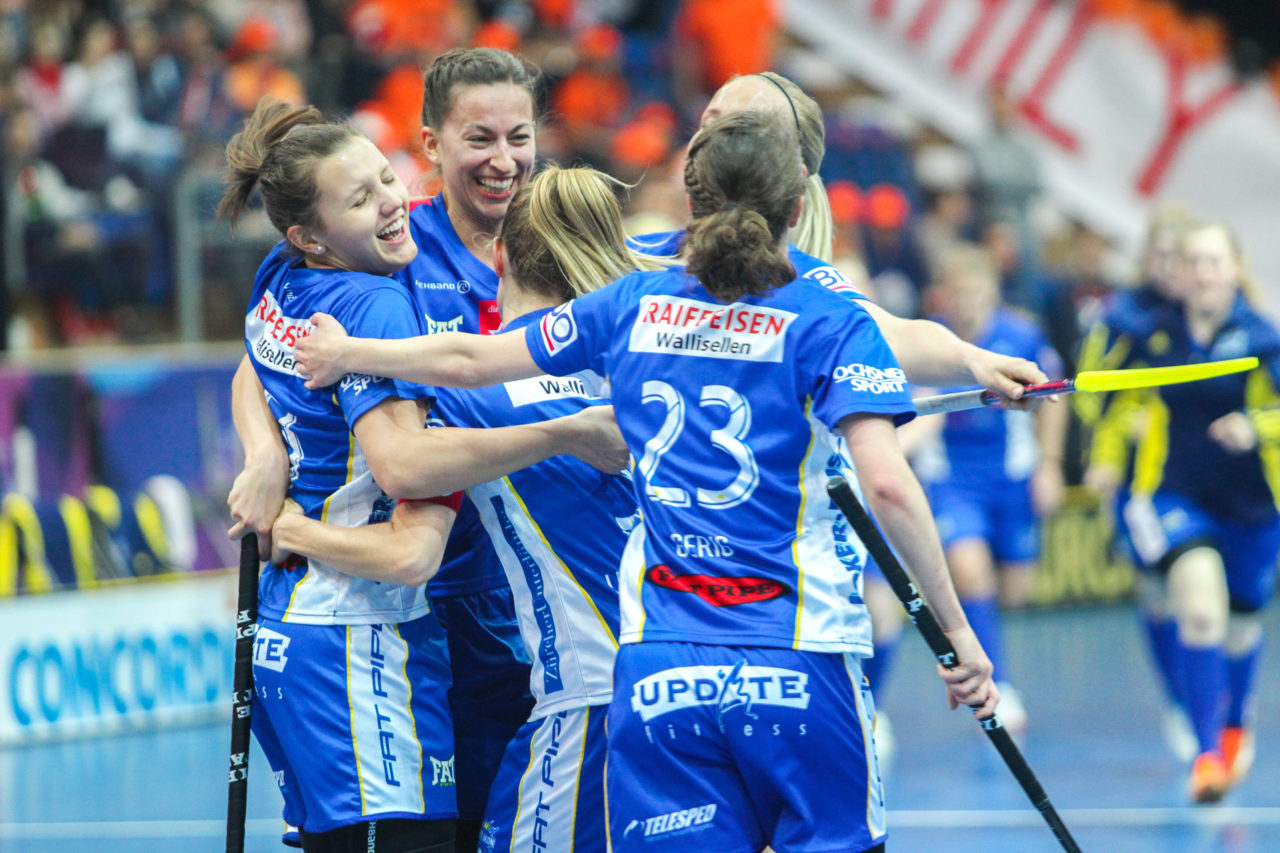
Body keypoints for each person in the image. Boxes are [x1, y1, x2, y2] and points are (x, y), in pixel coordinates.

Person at [293, 111, 999, 853]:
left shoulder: (627, 313)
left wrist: (347, 351)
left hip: (658, 667)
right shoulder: (827, 316)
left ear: (688, 205)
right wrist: (957, 636)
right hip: (797, 652)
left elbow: (465, 363)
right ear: (799, 208)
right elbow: (888, 481)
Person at [219, 98, 625, 852]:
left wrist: (265, 454)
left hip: (300, 621)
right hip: (355, 631)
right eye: (360, 198)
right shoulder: (374, 304)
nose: (389, 202)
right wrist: (566, 433)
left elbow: (253, 356)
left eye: (385, 179)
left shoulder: (285, 267)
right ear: (308, 234)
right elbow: (405, 477)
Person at [1118, 222, 1280, 803]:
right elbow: (1112, 393)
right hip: (1176, 494)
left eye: (1216, 262)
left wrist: (1255, 426)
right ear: (1179, 274)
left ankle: (1236, 720)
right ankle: (1207, 755)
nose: (1205, 273)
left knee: (1240, 629)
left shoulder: (1263, 337)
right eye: (1195, 262)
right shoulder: (1152, 335)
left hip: (1255, 506)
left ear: (1234, 269)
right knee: (1200, 613)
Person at [901, 243, 1069, 734]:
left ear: (993, 293)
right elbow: (921, 411)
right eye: (958, 293)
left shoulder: (1020, 334)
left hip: (1011, 475)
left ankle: (985, 635)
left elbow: (1054, 399)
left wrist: (1050, 466)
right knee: (972, 575)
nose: (968, 302)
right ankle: (1001, 690)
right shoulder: (929, 341)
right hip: (953, 479)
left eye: (977, 292)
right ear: (943, 296)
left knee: (1016, 590)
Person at [1078, 204, 1198, 761]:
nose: (1172, 267)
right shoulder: (1121, 316)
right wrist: (1122, 435)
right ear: (1147, 257)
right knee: (1156, 591)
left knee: (1199, 589)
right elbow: (1087, 394)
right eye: (1162, 255)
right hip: (1136, 477)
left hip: (1198, 471)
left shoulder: (1212, 311)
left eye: (1182, 256)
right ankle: (1181, 699)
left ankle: (1207, 701)